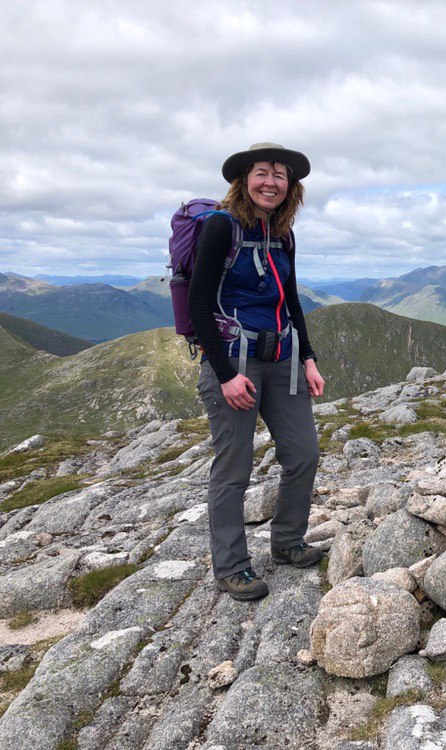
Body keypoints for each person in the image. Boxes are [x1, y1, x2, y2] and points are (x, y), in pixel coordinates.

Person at [188, 142, 325, 601]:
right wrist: (225, 374)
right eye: (262, 172)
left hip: (283, 356)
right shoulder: (221, 227)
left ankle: (287, 542)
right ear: (244, 179)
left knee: (303, 453)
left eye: (280, 175)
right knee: (234, 469)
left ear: (290, 186)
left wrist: (308, 358)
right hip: (234, 361)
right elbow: (199, 304)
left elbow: (291, 300)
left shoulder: (283, 234)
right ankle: (231, 567)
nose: (271, 182)